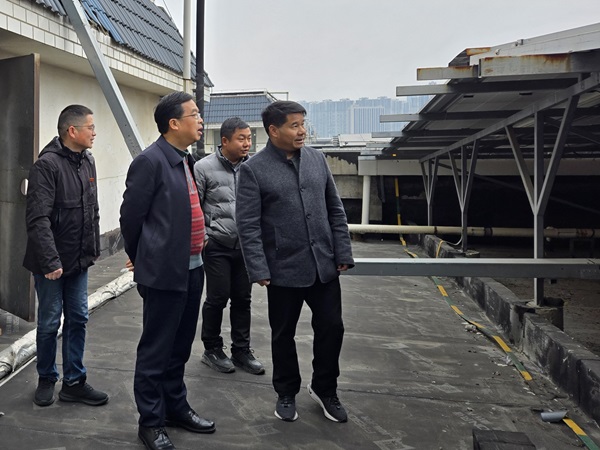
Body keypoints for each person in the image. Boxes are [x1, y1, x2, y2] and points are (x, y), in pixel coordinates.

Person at [236, 101, 354, 423]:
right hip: (283, 269)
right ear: (274, 131)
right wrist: (258, 268)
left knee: (332, 327)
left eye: (303, 124)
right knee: (283, 334)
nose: (302, 131)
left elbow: (335, 209)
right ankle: (286, 392)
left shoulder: (317, 159)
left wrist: (342, 252)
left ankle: (325, 389)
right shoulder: (254, 169)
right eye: (294, 125)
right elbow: (248, 225)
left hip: (323, 265)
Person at [120, 92, 215, 450]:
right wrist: (144, 259)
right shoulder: (150, 161)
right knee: (156, 350)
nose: (200, 120)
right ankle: (151, 421)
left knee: (180, 346)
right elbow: (131, 219)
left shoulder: (185, 159)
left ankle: (176, 408)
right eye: (194, 114)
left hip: (193, 268)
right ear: (174, 123)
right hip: (164, 273)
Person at [23, 104, 109, 408]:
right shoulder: (46, 166)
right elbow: (38, 218)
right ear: (72, 131)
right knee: (49, 322)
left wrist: (92, 251)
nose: (94, 132)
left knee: (78, 318)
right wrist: (50, 261)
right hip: (51, 264)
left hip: (78, 260)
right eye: (90, 127)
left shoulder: (88, 161)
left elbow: (92, 209)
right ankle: (46, 377)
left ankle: (74, 382)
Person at [194, 117, 265, 375]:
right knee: (218, 297)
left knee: (243, 299)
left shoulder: (253, 167)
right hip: (217, 245)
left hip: (245, 247)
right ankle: (212, 348)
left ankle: (241, 350)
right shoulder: (203, 168)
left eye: (249, 138)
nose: (247, 143)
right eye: (241, 138)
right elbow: (195, 206)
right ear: (224, 141)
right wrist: (205, 239)